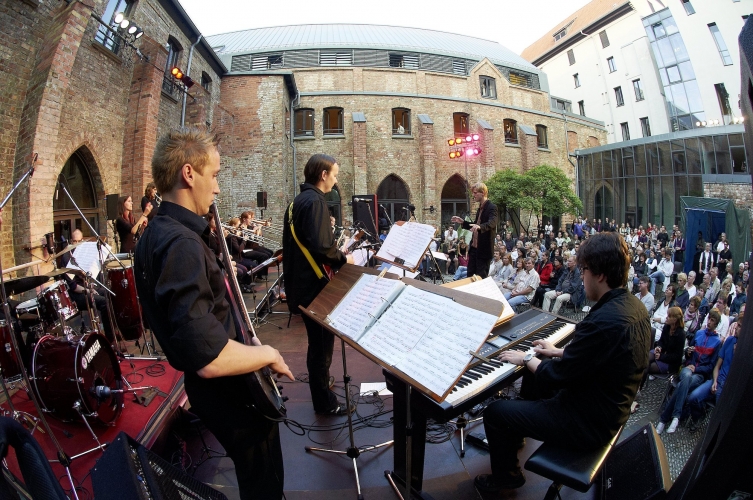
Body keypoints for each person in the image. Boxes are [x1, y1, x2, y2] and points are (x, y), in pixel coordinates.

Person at [134, 127, 293, 499]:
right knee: (262, 480)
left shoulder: (158, 233)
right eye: (215, 175)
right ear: (189, 174)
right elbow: (209, 356)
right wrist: (267, 353)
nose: (218, 188)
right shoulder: (181, 244)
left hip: (216, 388)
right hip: (228, 390)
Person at [475, 232, 650, 492]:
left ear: (600, 275)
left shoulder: (602, 322)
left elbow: (555, 376)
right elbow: (596, 358)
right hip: (607, 407)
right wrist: (556, 351)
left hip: (587, 423)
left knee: (496, 413)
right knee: (538, 367)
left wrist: (526, 356)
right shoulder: (633, 307)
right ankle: (518, 430)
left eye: (585, 269)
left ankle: (506, 477)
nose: (582, 275)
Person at [282, 153, 355, 415]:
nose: (335, 181)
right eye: (334, 175)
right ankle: (324, 403)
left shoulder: (296, 202)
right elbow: (323, 247)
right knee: (322, 345)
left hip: (301, 284)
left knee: (318, 343)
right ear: (323, 174)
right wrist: (345, 258)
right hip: (315, 286)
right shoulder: (315, 202)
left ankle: (321, 382)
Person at [657, 309, 722, 435]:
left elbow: (711, 367)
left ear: (716, 324)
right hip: (688, 368)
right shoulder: (699, 333)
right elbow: (687, 354)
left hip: (699, 374)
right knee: (685, 377)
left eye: (712, 321)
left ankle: (664, 419)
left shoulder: (717, 342)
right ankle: (676, 416)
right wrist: (688, 353)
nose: (709, 322)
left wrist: (697, 369)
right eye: (708, 319)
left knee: (682, 385)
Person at [686, 317, 741, 432]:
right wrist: (715, 381)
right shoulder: (730, 340)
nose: (736, 327)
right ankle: (698, 417)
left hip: (728, 387)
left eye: (740, 326)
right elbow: (717, 366)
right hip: (717, 380)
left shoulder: (745, 351)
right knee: (693, 398)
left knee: (720, 414)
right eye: (737, 325)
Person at [451, 182, 498, 279]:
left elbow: (492, 223)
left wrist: (480, 227)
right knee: (470, 276)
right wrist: (463, 222)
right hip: (474, 249)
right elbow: (474, 226)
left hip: (483, 250)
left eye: (476, 193)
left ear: (483, 193)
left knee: (480, 278)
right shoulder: (479, 209)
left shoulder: (492, 207)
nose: (473, 195)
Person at [648, 306, 685, 376]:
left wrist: (661, 357)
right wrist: (659, 347)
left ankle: (639, 385)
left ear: (674, 319)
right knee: (644, 360)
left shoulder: (681, 334)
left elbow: (677, 356)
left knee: (647, 367)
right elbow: (661, 341)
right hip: (661, 353)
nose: (666, 317)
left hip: (670, 362)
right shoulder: (667, 327)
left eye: (669, 316)